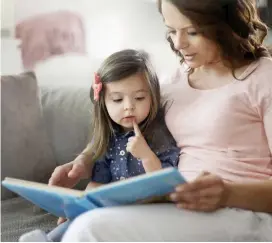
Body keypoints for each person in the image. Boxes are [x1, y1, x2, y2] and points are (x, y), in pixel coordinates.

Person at [51, 0, 272, 241]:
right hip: (175, 204)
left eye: (192, 32)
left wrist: (227, 193)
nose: (178, 43)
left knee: (91, 228)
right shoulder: (173, 81)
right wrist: (83, 160)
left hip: (241, 212)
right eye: (171, 31)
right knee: (84, 218)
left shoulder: (263, 78)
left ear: (226, 23)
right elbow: (123, 130)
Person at [19, 49, 180, 242]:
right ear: (103, 102)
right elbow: (98, 182)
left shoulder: (159, 135)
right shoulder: (109, 138)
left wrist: (146, 156)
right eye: (118, 99)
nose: (129, 106)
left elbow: (166, 184)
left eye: (139, 98)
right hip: (109, 210)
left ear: (153, 97)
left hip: (146, 211)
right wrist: (79, 206)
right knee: (78, 219)